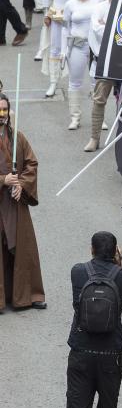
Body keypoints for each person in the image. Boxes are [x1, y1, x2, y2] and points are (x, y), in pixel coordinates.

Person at [66, 232, 122, 408]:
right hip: (111, 353)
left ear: (92, 250)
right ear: (115, 252)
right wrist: (120, 265)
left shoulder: (77, 271)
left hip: (81, 350)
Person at [0, 94, 44, 312]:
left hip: (15, 202)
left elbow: (31, 164)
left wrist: (21, 185)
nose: (2, 115)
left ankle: (28, 295)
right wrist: (3, 180)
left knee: (23, 248)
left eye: (5, 110)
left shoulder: (17, 137)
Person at [84, 0, 122, 152]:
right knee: (99, 99)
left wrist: (109, 25)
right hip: (105, 59)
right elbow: (98, 30)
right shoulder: (99, 8)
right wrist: (119, 28)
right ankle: (94, 138)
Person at [60, 0, 104, 130]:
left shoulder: (98, 1)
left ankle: (99, 117)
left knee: (97, 82)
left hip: (95, 47)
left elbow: (104, 19)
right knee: (74, 82)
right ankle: (75, 117)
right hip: (77, 46)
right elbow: (65, 29)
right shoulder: (70, 4)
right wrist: (63, 50)